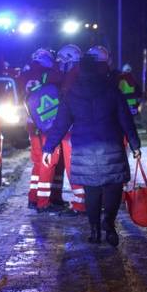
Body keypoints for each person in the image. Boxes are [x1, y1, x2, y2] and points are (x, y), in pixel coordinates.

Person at [42, 52, 142, 247]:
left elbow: (60, 125)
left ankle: (95, 231)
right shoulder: (112, 90)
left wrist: (48, 148)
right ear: (97, 69)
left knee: (92, 192)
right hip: (111, 148)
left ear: (80, 70)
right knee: (113, 189)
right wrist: (135, 145)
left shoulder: (71, 94)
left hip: (84, 150)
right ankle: (109, 225)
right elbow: (126, 120)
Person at [18, 48, 65, 212]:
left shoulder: (25, 73)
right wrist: (58, 67)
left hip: (33, 125)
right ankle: (43, 202)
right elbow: (59, 78)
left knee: (39, 162)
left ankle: (34, 198)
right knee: (49, 161)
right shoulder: (46, 73)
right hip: (47, 125)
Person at [53, 44, 86, 216]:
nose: (59, 65)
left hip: (72, 129)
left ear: (70, 61)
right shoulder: (82, 74)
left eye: (62, 62)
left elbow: (67, 106)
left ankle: (80, 204)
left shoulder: (72, 76)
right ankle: (84, 201)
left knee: (73, 166)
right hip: (80, 127)